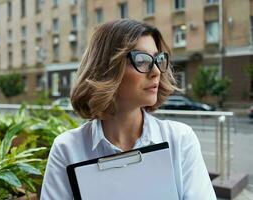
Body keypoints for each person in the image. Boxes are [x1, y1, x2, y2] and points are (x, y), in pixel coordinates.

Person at [41, 19, 217, 200]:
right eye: (141, 60)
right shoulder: (67, 148)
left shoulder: (179, 139)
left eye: (158, 59)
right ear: (107, 68)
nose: (156, 71)